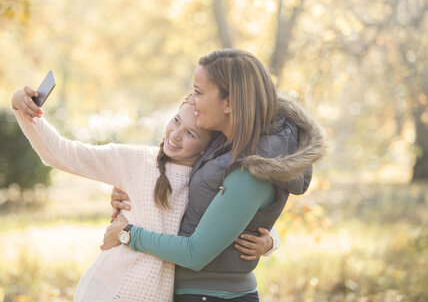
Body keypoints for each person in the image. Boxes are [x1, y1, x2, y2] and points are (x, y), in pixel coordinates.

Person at [104, 48, 328, 301]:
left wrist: (128, 233)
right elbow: (211, 208)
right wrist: (132, 191)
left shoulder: (251, 171)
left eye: (199, 93)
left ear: (229, 103)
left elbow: (196, 253)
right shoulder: (225, 145)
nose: (193, 101)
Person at [11, 90, 278, 302]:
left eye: (190, 133)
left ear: (209, 146)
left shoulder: (208, 181)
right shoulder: (134, 160)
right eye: (176, 120)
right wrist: (25, 111)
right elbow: (63, 153)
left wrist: (270, 241)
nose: (174, 135)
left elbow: (237, 216)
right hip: (109, 288)